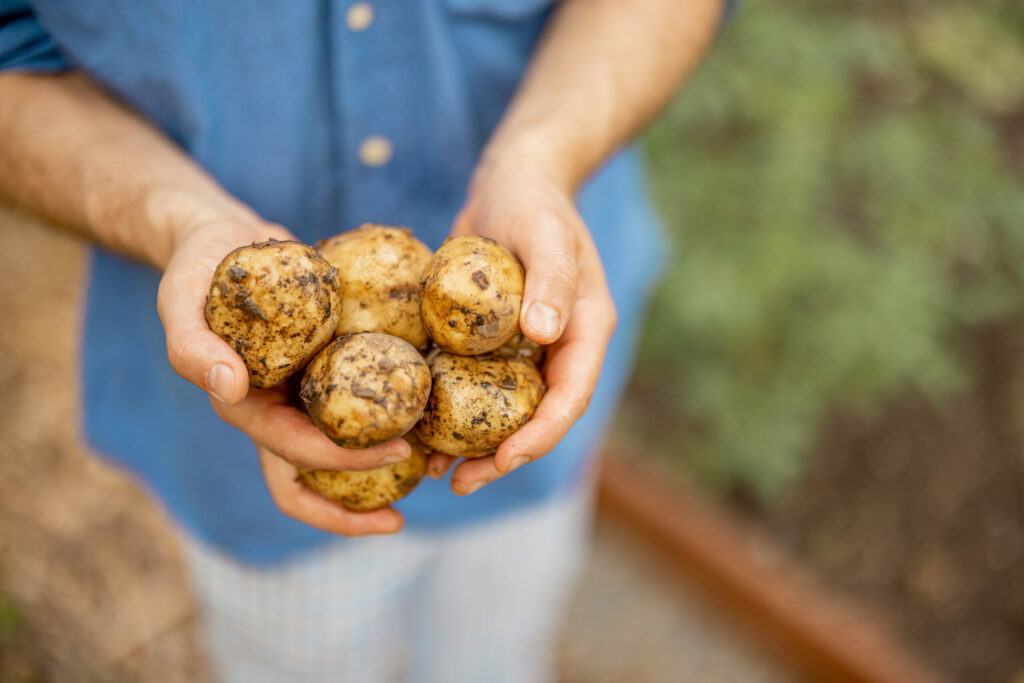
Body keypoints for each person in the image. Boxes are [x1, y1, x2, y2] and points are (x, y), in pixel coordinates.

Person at [0, 1, 725, 681]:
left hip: (537, 414)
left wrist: (544, 158)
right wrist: (179, 221)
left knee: (497, 653)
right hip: (252, 465)